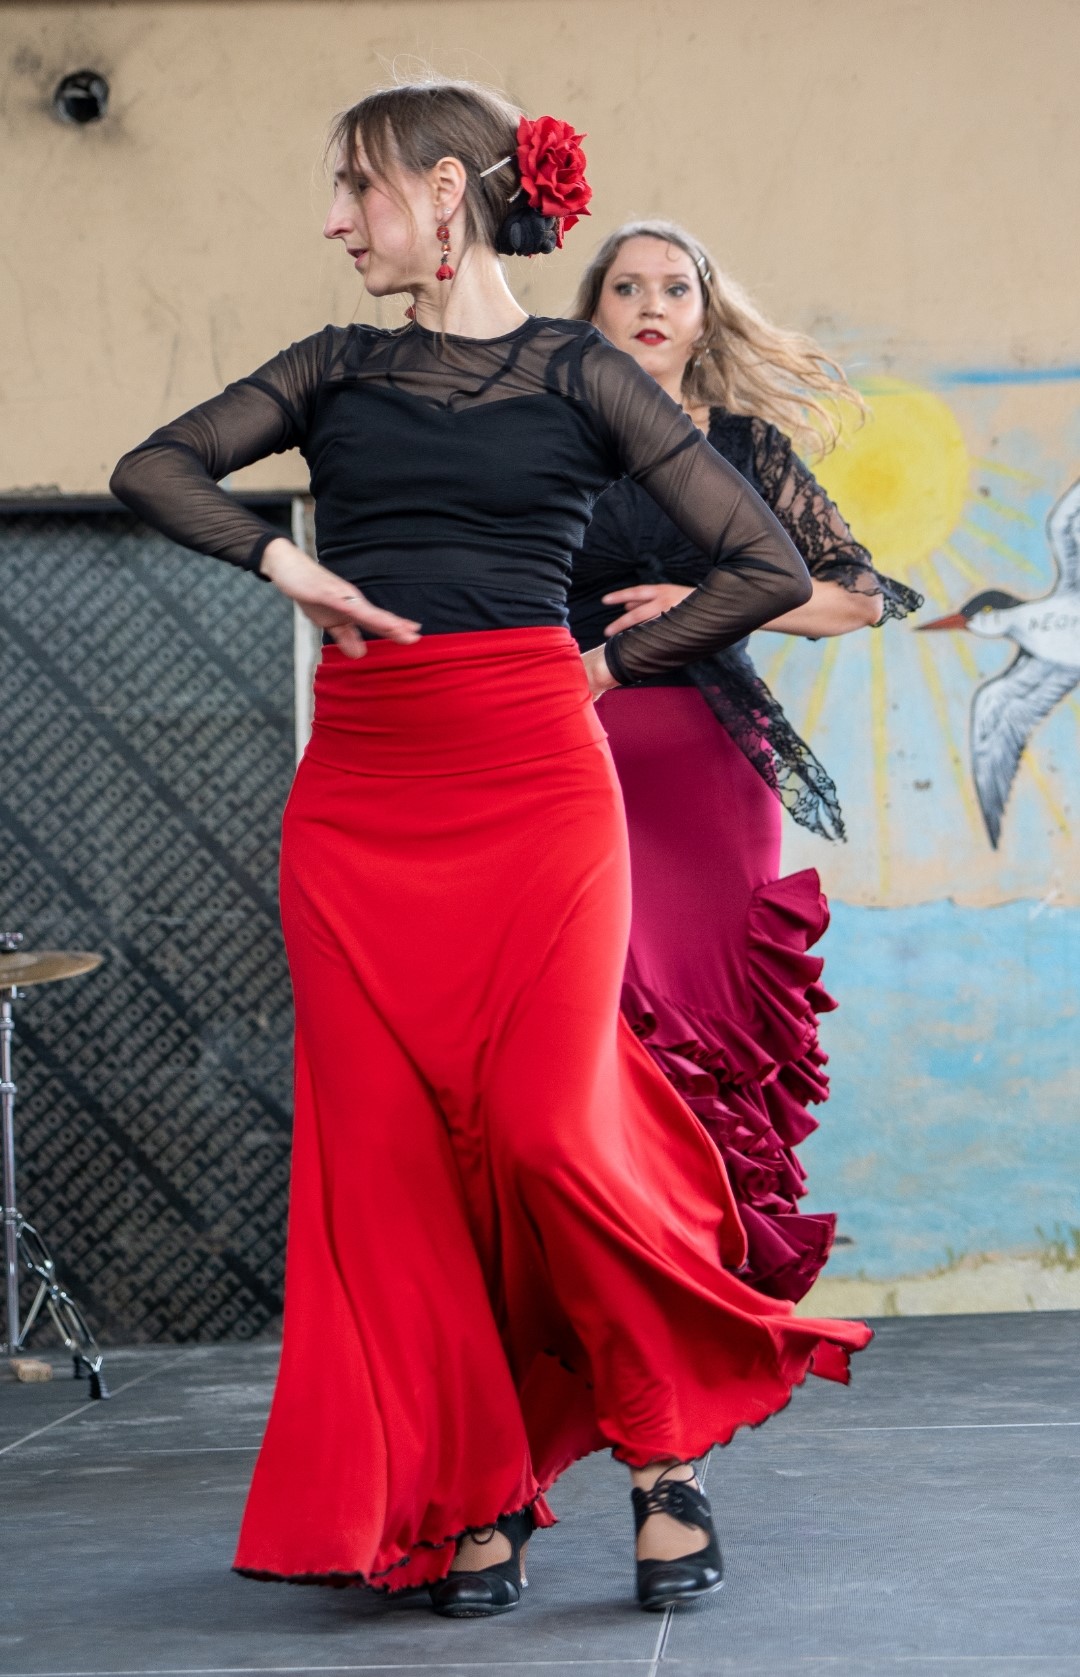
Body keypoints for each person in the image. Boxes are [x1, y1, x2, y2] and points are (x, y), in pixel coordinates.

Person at [110, 80, 871, 1619]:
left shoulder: (583, 374)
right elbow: (157, 468)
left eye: (360, 188)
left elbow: (761, 561)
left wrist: (605, 666)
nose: (338, 221)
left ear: (446, 191)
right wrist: (283, 563)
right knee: (396, 1170)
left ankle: (666, 1450)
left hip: (536, 783)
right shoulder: (334, 365)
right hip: (360, 799)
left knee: (547, 1127)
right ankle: (476, 1487)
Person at [568, 223, 921, 1302]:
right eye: (627, 286)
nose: (651, 304)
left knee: (714, 1029)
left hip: (711, 776)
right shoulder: (547, 445)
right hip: (579, 760)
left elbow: (859, 598)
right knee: (598, 1027)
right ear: (592, 313)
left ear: (704, 315)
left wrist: (715, 601)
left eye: (675, 287)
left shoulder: (746, 448)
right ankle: (618, 1283)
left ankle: (715, 1282)